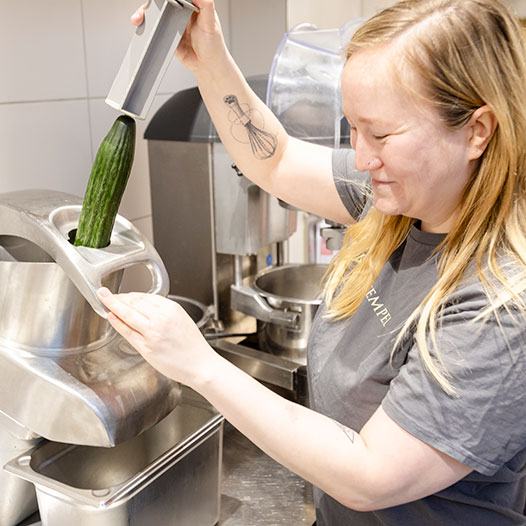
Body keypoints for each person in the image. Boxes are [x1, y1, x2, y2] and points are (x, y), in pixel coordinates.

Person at [98, 0, 526, 523]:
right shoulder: (396, 201)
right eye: (353, 129)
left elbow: (370, 476)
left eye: (381, 134)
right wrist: (208, 57)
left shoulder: (499, 306)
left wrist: (200, 365)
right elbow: (275, 158)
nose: (361, 158)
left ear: (477, 131)